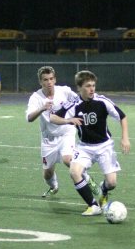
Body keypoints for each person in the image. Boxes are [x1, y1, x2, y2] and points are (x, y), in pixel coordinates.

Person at [50, 70, 130, 216]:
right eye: (88, 86)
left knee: (112, 183)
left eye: (93, 85)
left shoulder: (102, 101)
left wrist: (125, 138)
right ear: (79, 88)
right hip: (84, 147)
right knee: (74, 172)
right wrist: (68, 120)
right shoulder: (73, 104)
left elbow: (122, 117)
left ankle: (103, 190)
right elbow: (53, 118)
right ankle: (93, 205)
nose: (92, 89)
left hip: (105, 146)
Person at [26, 66, 100, 198]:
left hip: (67, 132)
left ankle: (89, 181)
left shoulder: (64, 91)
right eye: (45, 80)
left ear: (55, 79)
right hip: (48, 139)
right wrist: (42, 108)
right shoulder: (36, 97)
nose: (49, 82)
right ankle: (53, 186)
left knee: (68, 159)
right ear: (40, 82)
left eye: (51, 79)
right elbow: (29, 118)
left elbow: (79, 99)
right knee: (47, 173)